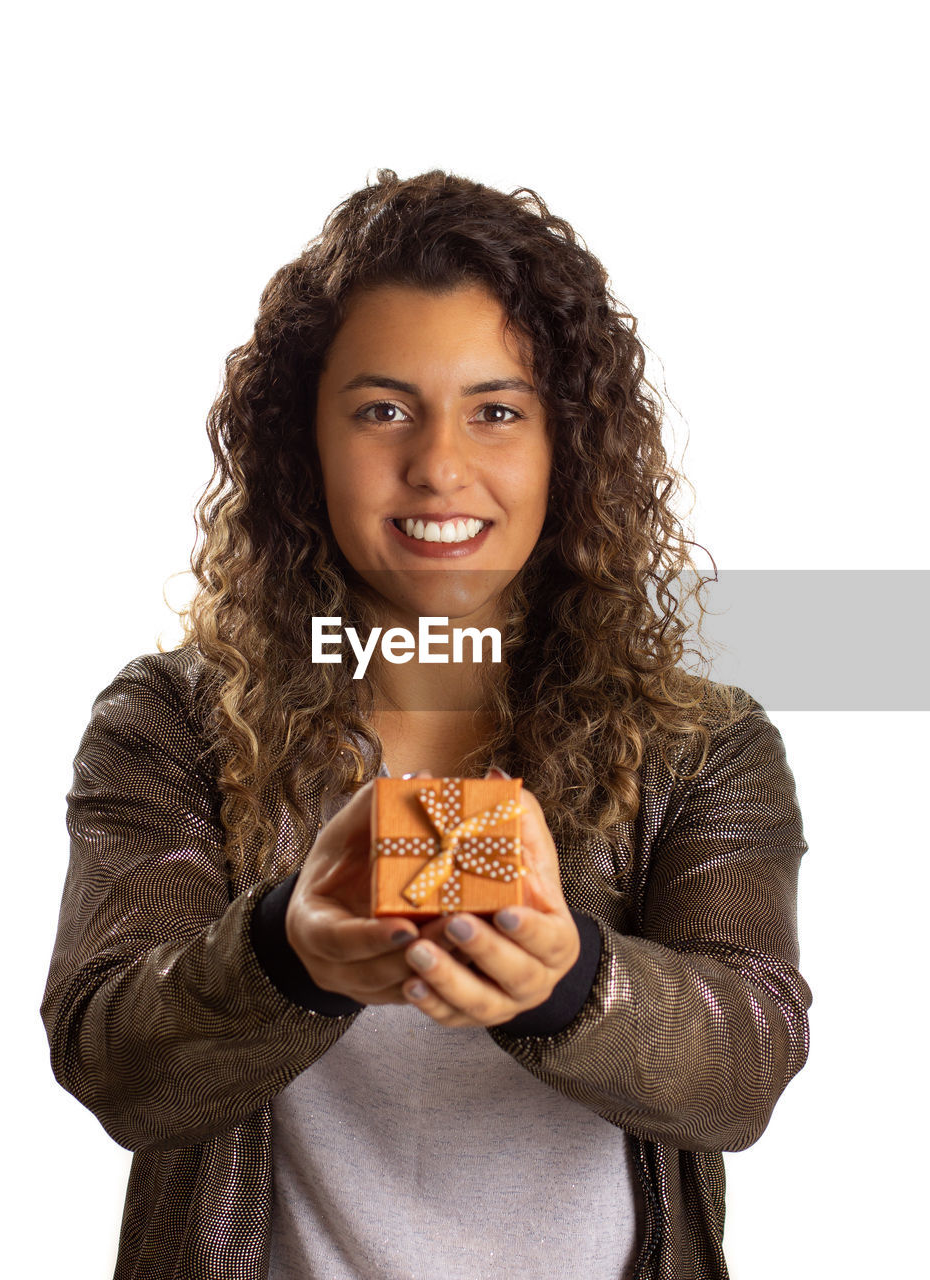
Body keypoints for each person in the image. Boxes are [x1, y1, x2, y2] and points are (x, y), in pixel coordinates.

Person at [41, 169, 810, 1280]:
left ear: (568, 445)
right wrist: (285, 953)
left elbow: (745, 1064)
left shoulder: (702, 743)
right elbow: (112, 1057)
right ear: (302, 438)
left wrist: (569, 979)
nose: (439, 464)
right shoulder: (173, 723)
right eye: (382, 408)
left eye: (496, 410)